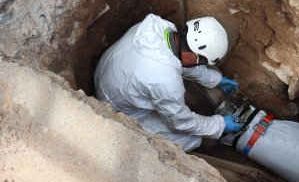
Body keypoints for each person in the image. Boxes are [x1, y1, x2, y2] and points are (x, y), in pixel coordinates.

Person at [94, 13, 243, 151]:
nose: (200, 65)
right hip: (113, 109)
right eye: (201, 62)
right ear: (194, 56)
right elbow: (181, 122)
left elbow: (177, 59)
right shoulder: (165, 79)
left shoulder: (161, 27)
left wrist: (215, 79)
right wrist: (220, 125)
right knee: (192, 138)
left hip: (107, 74)